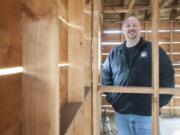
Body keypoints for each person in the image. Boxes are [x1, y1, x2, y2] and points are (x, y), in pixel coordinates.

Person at [102, 16, 174, 135]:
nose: (131, 28)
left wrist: (156, 103)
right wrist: (114, 99)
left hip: (147, 114)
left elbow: (168, 76)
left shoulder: (154, 50)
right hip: (122, 114)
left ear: (140, 28)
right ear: (123, 29)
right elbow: (106, 77)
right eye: (128, 25)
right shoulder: (115, 53)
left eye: (135, 25)